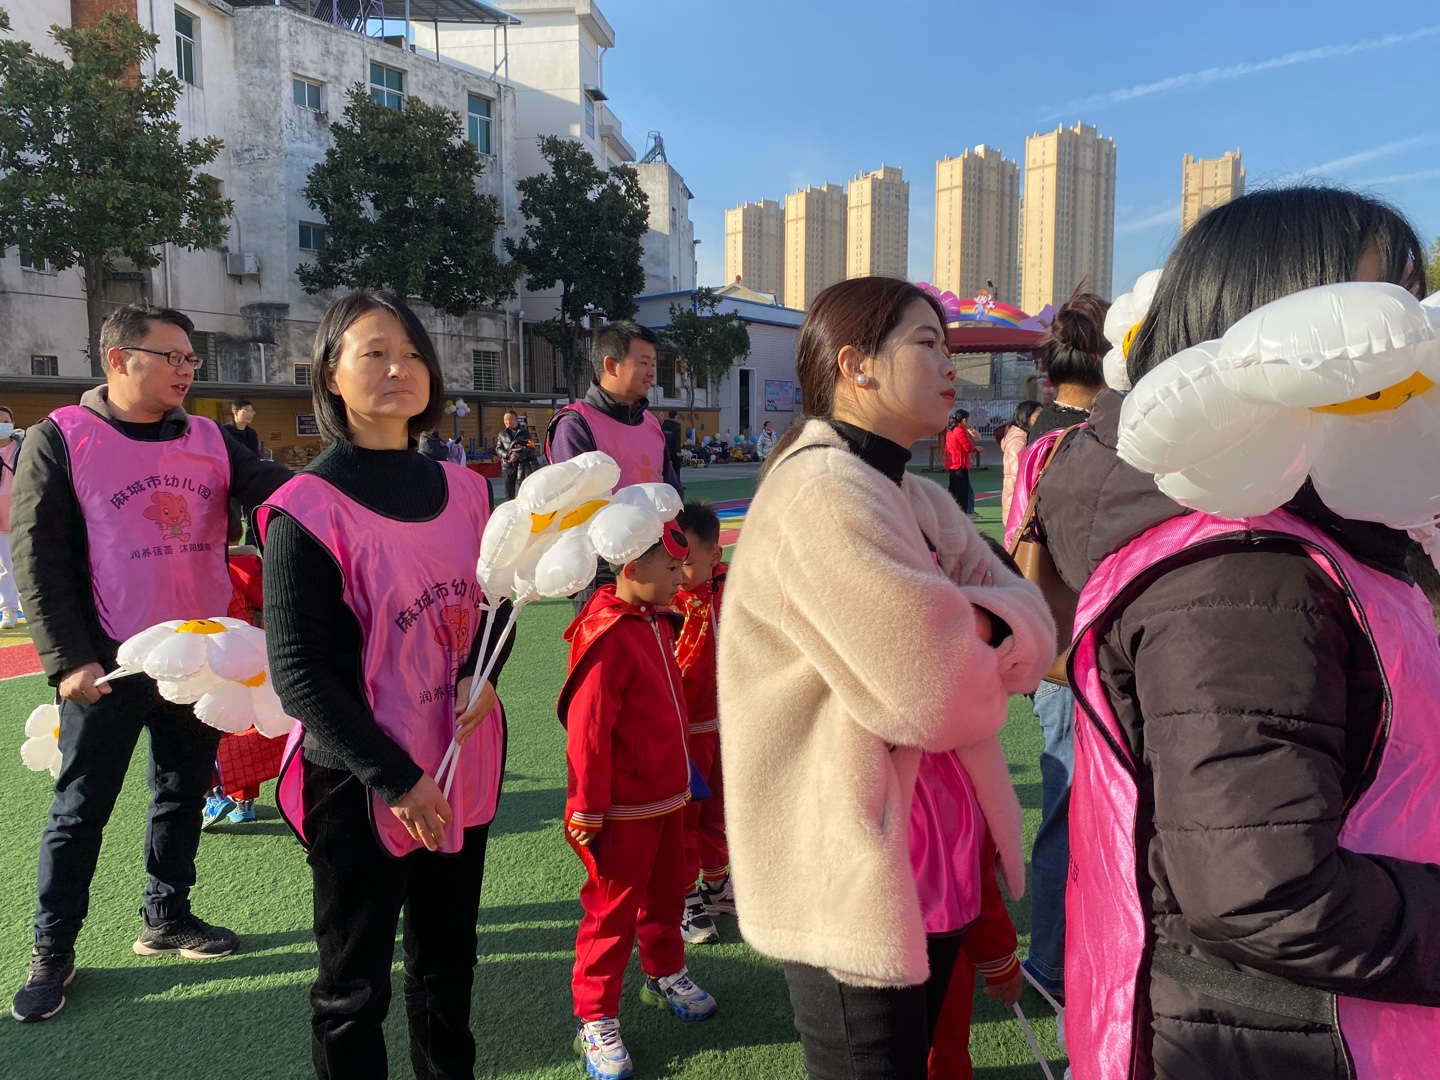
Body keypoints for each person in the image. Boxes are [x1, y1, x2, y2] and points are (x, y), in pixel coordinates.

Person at [1038, 187, 1440, 1078]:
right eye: (1386, 311)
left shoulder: (1322, 534)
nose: (1414, 341)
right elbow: (1261, 888)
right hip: (1291, 1039)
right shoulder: (1244, 571)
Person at [718, 277, 1055, 1080]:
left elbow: (1035, 623)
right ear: (855, 365)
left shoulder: (914, 494)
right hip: (853, 868)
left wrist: (963, 623)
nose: (948, 364)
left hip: (932, 859)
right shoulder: (820, 491)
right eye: (925, 344)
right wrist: (981, 628)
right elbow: (934, 693)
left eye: (946, 345)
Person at [8, 304, 291, 1023]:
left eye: (191, 358)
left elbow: (282, 491)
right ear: (118, 359)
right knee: (80, 808)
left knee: (182, 790)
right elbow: (37, 557)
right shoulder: (60, 437)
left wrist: (356, 480)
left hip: (199, 656)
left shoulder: (212, 437)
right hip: (108, 663)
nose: (186, 370)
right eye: (172, 356)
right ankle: (53, 947)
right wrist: (68, 660)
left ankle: (166, 915)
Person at [258, 289, 510, 1079]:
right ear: (330, 376)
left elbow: (500, 607)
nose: (398, 368)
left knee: (447, 966)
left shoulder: (469, 491)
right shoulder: (303, 509)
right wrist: (396, 778)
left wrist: (484, 677)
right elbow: (298, 672)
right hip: (358, 780)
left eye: (411, 353)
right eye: (373, 353)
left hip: (459, 764)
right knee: (352, 989)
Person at [560, 523, 718, 1080]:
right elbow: (588, 731)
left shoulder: (655, 619)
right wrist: (587, 806)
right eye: (671, 568)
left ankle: (664, 972)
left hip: (669, 795)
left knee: (668, 896)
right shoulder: (607, 634)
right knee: (611, 914)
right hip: (624, 809)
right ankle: (595, 1016)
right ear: (632, 569)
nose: (681, 578)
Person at [1003, 289, 1111, 1011]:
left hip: (1055, 652)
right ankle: (1050, 958)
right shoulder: (1091, 442)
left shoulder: (1037, 435)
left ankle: (1055, 954)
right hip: (1083, 655)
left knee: (1067, 812)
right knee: (1072, 817)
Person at [672, 502, 731, 946]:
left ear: (715, 555)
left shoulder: (734, 591)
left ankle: (716, 883)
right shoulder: (667, 602)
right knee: (685, 819)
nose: (678, 572)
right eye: (672, 561)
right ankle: (684, 896)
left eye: (687, 562)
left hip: (725, 727)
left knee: (718, 812)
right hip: (682, 732)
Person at [545, 321, 683, 495]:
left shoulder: (651, 422)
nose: (651, 373)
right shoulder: (575, 424)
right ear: (611, 365)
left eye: (653, 364)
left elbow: (673, 491)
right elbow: (576, 501)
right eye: (644, 362)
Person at [0, 405, 25, 629]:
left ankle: (28, 606)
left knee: (26, 565)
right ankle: (9, 610)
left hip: (22, 515)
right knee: (5, 568)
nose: (3, 425)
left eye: (6, 421)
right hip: (0, 520)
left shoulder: (24, 447)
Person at [999, 400, 1041, 525]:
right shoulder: (1018, 442)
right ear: (1026, 416)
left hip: (1020, 504)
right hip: (1019, 507)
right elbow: (1019, 476)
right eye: (1039, 415)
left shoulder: (1025, 438)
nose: (1042, 420)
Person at [494, 410, 536, 501]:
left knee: (524, 490)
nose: (505, 422)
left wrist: (517, 455)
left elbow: (531, 448)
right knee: (509, 494)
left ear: (514, 420)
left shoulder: (525, 433)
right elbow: (498, 449)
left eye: (507, 420)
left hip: (522, 465)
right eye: (504, 420)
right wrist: (508, 456)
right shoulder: (502, 434)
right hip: (508, 466)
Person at [943, 408, 977, 517]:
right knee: (962, 491)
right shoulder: (959, 430)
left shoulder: (950, 430)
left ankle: (952, 512)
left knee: (953, 490)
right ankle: (962, 513)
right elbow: (967, 446)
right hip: (960, 464)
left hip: (952, 464)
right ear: (964, 420)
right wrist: (975, 448)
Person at [661, 409, 683, 477]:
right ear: (675, 416)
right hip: (674, 449)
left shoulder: (664, 425)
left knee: (665, 465)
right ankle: (676, 480)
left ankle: (665, 479)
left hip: (665, 447)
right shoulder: (676, 426)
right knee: (676, 466)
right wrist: (678, 450)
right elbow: (677, 438)